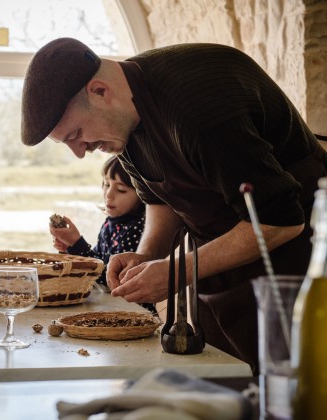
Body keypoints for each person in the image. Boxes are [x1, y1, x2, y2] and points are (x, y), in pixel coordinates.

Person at [20, 37, 327, 374]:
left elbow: (280, 220)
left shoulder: (201, 108)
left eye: (77, 134)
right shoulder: (122, 120)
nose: (81, 151)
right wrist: (147, 254)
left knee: (291, 386)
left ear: (100, 91)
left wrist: (176, 271)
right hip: (219, 269)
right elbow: (159, 199)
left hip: (295, 261)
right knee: (215, 380)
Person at [49, 156, 156, 314]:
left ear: (142, 195)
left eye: (121, 190)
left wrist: (77, 243)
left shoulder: (138, 229)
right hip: (112, 306)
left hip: (134, 312)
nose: (109, 194)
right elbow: (98, 260)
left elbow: (109, 280)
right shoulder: (110, 223)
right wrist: (70, 248)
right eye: (106, 184)